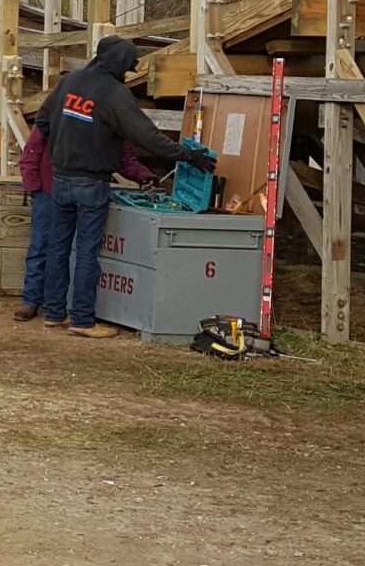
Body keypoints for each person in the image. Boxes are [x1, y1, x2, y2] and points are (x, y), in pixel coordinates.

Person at [35, 35, 215, 339]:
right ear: (121, 63)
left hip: (61, 178)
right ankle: (82, 320)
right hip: (92, 182)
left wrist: (68, 142)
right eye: (128, 67)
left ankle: (54, 313)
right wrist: (189, 156)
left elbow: (42, 121)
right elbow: (147, 136)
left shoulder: (71, 82)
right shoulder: (115, 94)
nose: (126, 74)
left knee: (58, 248)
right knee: (88, 254)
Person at [13, 124, 156, 322]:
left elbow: (124, 156)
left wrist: (143, 175)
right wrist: (32, 183)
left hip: (70, 187)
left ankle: (53, 306)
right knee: (45, 246)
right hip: (51, 188)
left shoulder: (107, 117)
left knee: (62, 250)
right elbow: (33, 148)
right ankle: (33, 299)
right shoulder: (59, 112)